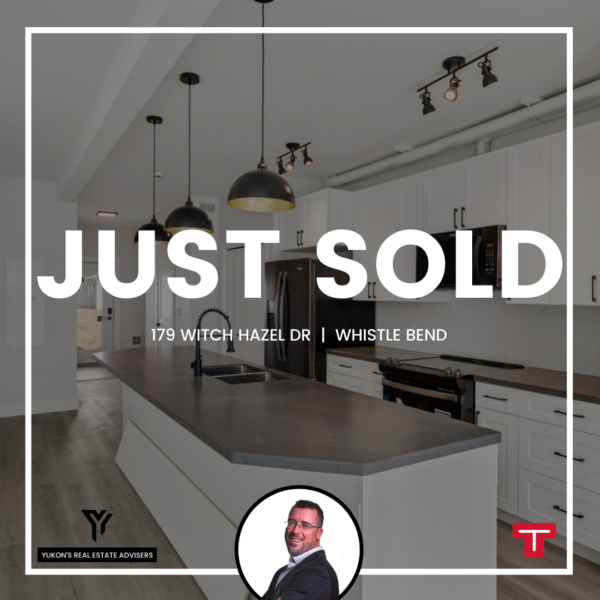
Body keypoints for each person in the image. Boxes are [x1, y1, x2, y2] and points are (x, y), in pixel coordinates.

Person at [262, 499, 339, 600]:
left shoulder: (316, 572)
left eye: (305, 525)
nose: (295, 531)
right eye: (291, 523)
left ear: (318, 533)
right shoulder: (283, 571)